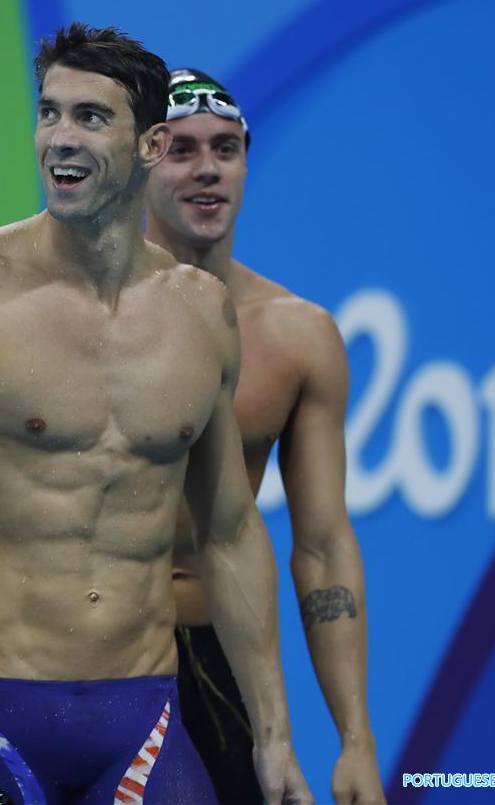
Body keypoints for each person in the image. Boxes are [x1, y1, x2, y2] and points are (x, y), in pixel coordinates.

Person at [0, 25, 311, 805]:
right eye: (49, 113)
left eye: (90, 118)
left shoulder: (201, 316)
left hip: (142, 715)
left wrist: (275, 740)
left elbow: (229, 530)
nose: (59, 140)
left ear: (149, 144)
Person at [145, 69, 386, 805]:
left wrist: (354, 738)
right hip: (89, 654)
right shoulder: (73, 324)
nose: (207, 167)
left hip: (220, 660)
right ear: (137, 161)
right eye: (181, 149)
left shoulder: (297, 338)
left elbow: (320, 545)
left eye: (225, 147)